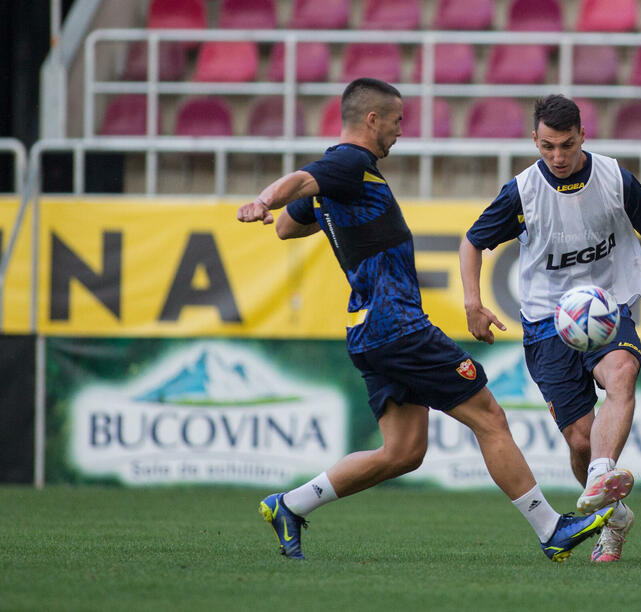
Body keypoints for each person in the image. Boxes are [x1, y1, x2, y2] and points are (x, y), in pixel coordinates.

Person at [236, 78, 612, 562]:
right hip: (397, 326)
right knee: (489, 417)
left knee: (403, 452)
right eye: (396, 121)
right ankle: (550, 528)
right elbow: (301, 183)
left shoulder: (346, 178)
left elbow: (289, 225)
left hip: (367, 328)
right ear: (372, 120)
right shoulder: (349, 162)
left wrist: (308, 208)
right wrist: (264, 199)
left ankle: (289, 505)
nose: (400, 131)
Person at [459, 94, 641, 563]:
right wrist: (472, 302)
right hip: (547, 322)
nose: (558, 157)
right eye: (547, 147)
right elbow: (472, 242)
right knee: (580, 440)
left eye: (566, 145)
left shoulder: (615, 180)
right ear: (534, 140)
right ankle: (613, 511)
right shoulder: (521, 192)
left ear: (583, 136)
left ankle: (604, 474)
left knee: (621, 373)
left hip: (607, 308)